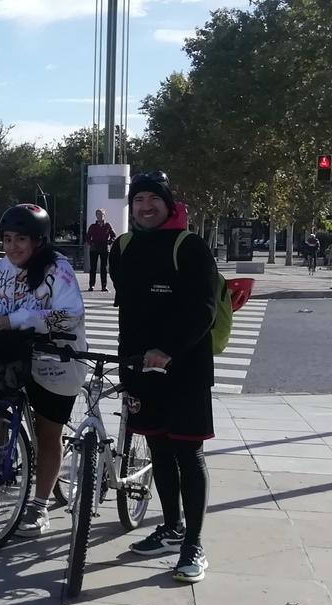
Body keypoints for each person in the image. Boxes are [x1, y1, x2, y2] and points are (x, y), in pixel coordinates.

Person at [110, 171, 217, 583]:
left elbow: (204, 310)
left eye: (154, 198)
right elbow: (131, 309)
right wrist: (130, 359)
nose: (145, 206)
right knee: (156, 446)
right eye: (138, 200)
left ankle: (194, 543)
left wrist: (168, 350)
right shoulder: (124, 246)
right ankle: (171, 527)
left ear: (169, 204)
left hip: (185, 369)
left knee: (188, 454)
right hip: (140, 368)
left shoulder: (189, 247)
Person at [0, 204, 86, 536]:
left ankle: (39, 506)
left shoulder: (58, 269)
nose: (12, 247)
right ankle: (2, 448)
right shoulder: (1, 267)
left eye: (21, 239)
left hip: (55, 360)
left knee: (48, 435)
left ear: (38, 240)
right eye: (7, 239)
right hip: (13, 354)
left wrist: (16, 320)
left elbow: (70, 313)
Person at [86, 209, 116, 292]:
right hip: (94, 249)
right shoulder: (92, 226)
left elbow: (114, 235)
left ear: (104, 215)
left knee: (104, 268)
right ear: (96, 216)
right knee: (93, 268)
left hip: (104, 249)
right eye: (98, 214)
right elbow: (87, 237)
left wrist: (109, 242)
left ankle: (104, 286)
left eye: (102, 214)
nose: (100, 216)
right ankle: (91, 285)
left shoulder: (108, 225)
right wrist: (91, 243)